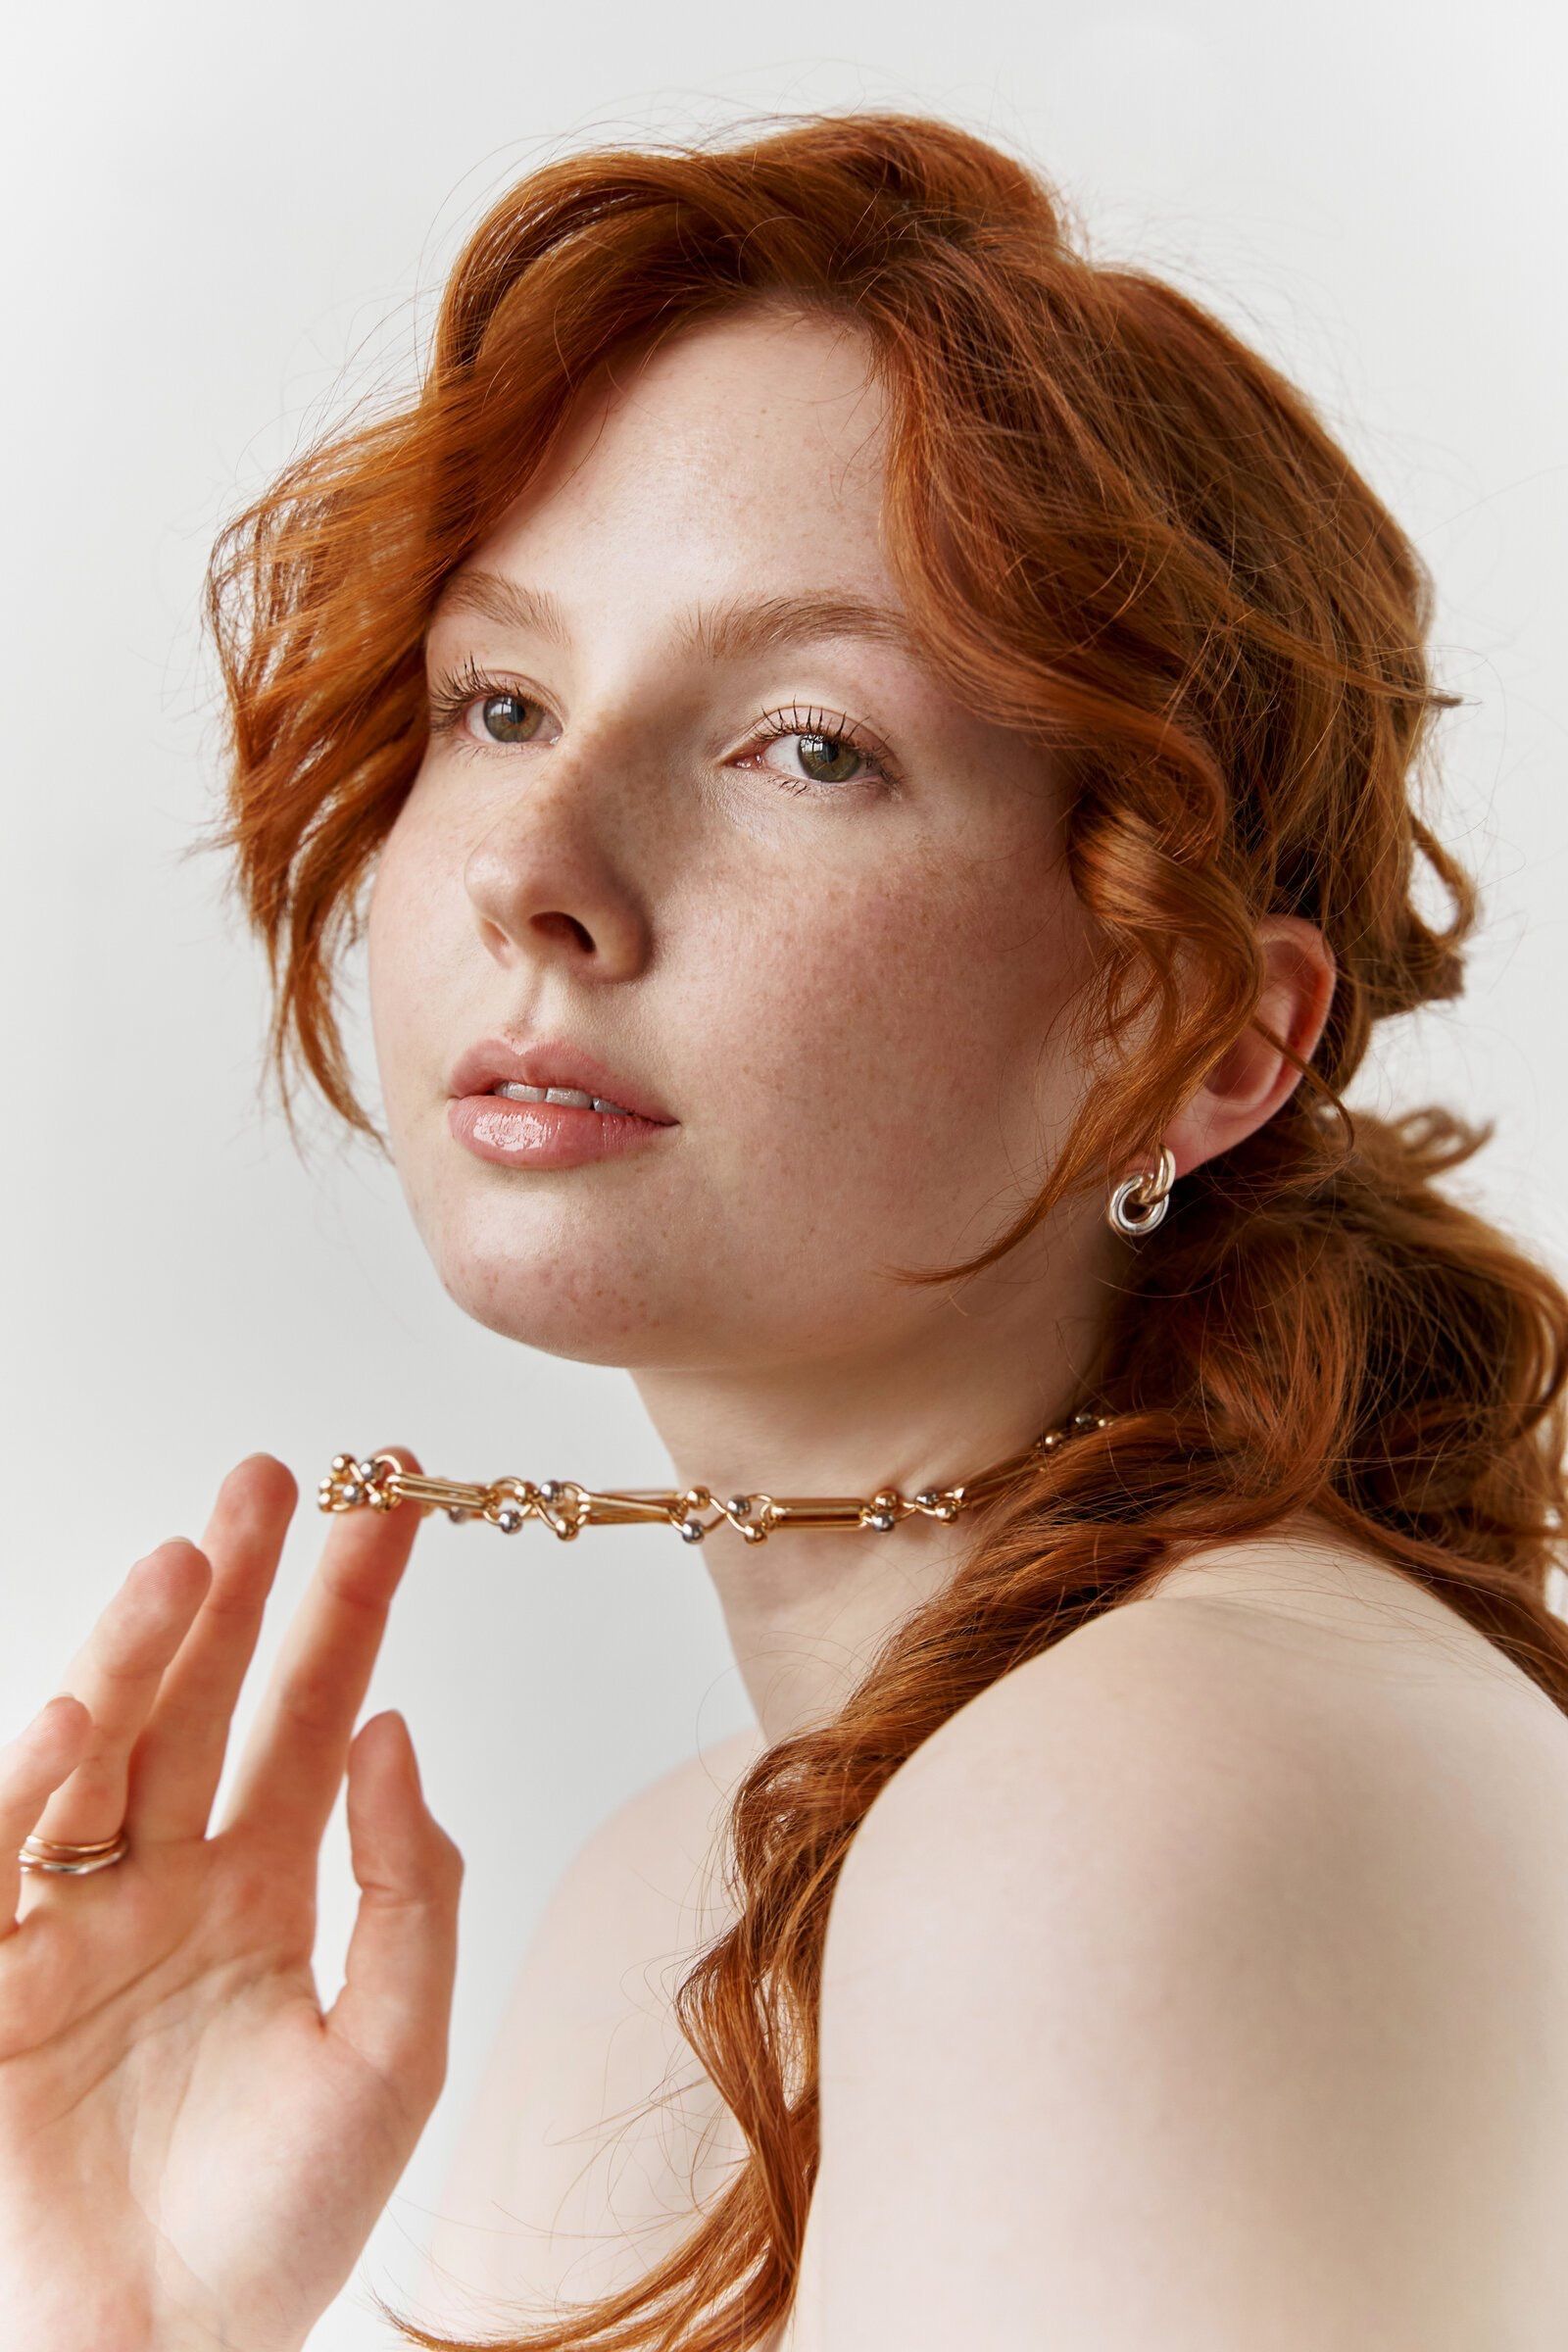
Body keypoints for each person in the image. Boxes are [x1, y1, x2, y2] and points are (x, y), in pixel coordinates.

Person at [5, 105, 1568, 2352]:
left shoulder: (1128, 1809)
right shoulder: (696, 1882)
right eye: (501, 701)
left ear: (1201, 1034)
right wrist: (137, 2328)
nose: (530, 862)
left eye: (809, 746)